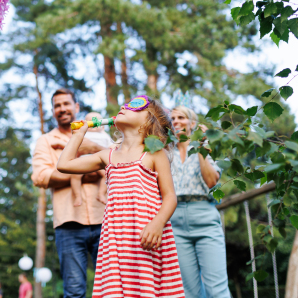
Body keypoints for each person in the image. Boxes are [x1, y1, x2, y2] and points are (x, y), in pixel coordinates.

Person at [57, 95, 185, 297]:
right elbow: (64, 165)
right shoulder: (108, 155)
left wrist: (157, 223)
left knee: (147, 287)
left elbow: (170, 197)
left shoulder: (154, 153)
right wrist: (78, 135)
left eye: (135, 105)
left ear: (148, 119)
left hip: (146, 235)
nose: (124, 106)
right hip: (116, 240)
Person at [31, 88, 105, 298]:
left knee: (113, 287)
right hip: (69, 223)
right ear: (53, 111)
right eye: (57, 105)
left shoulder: (95, 135)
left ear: (76, 107)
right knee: (74, 291)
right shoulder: (46, 141)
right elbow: (40, 176)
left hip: (105, 219)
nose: (62, 109)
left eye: (66, 104)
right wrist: (83, 173)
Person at [169, 105, 231, 297]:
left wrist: (203, 146)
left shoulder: (209, 147)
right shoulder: (165, 152)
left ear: (193, 123)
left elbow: (212, 180)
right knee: (188, 291)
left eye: (181, 117)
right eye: (172, 118)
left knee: (216, 289)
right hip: (175, 221)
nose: (176, 121)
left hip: (204, 215)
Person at [70, 112, 112, 206]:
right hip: (83, 160)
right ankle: (77, 196)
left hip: (99, 162)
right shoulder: (83, 134)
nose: (93, 123)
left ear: (103, 126)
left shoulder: (104, 135)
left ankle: (101, 193)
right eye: (90, 121)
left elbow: (111, 147)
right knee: (75, 176)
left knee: (107, 174)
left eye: (97, 121)